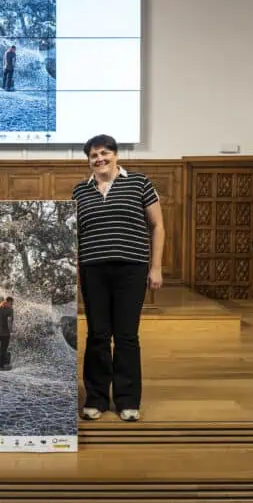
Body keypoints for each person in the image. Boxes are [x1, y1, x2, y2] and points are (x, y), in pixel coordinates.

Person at [72, 134, 165, 422]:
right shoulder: (80, 191)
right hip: (93, 271)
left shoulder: (139, 183)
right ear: (88, 161)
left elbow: (158, 225)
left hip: (131, 269)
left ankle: (127, 400)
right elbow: (75, 234)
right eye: (93, 155)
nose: (99, 159)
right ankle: (96, 398)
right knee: (98, 335)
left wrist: (156, 267)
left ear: (116, 155)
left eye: (104, 153)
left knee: (126, 336)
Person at [0, 296, 14, 369]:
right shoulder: (10, 310)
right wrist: (11, 331)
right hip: (5, 333)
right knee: (3, 350)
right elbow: (9, 321)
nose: (11, 305)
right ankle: (1, 365)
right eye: (11, 303)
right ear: (7, 302)